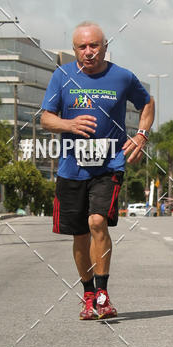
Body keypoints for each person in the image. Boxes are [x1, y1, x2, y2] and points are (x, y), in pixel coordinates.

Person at [41, 22, 155, 319]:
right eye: (82, 47)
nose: (88, 52)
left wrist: (141, 134)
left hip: (109, 164)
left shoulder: (122, 77)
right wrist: (68, 125)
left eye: (94, 46)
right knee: (79, 235)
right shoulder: (62, 76)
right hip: (71, 167)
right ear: (75, 49)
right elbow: (46, 119)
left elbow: (147, 103)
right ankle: (89, 294)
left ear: (105, 46)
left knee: (96, 222)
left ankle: (103, 295)